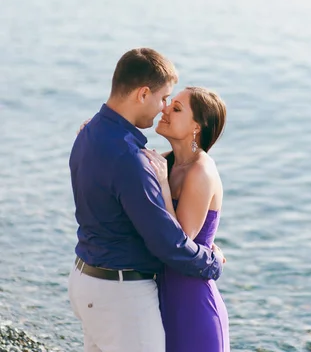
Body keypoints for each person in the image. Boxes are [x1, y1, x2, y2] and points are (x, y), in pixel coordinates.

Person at [68, 48, 224, 352]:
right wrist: (213, 262)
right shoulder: (132, 159)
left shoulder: (91, 134)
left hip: (91, 282)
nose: (162, 108)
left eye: (174, 106)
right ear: (142, 94)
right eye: (164, 99)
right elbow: (170, 244)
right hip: (121, 296)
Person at [145, 86, 230, 352]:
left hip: (194, 307)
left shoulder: (201, 171)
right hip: (159, 299)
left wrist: (162, 183)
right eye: (169, 102)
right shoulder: (165, 162)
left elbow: (179, 239)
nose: (165, 109)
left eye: (177, 108)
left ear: (197, 127)